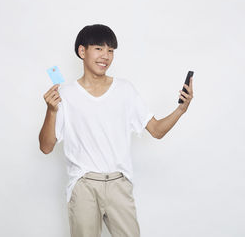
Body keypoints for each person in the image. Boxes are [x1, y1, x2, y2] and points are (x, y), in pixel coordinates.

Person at [39, 24, 194, 237]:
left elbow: (156, 131)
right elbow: (46, 147)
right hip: (83, 185)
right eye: (99, 49)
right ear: (82, 51)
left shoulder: (125, 90)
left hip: (119, 184)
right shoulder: (65, 94)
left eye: (111, 50)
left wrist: (181, 109)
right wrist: (51, 111)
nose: (106, 56)